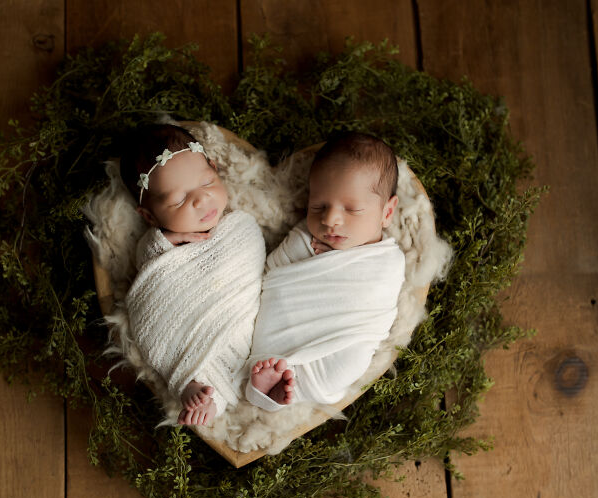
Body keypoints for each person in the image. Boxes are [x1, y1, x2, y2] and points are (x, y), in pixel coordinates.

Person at [245, 131, 405, 411]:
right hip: (286, 325)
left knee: (351, 362)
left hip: (342, 340)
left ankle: (285, 387)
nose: (330, 220)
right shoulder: (303, 238)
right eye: (318, 206)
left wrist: (331, 262)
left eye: (352, 209)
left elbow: (377, 302)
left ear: (387, 212)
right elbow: (272, 274)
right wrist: (307, 256)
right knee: (263, 346)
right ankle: (269, 384)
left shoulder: (388, 260)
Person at [120, 124, 265, 426]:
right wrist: (162, 241)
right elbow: (150, 274)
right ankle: (193, 384)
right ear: (149, 216)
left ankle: (230, 380)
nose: (200, 201)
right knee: (150, 320)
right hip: (179, 317)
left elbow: (256, 275)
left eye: (207, 182)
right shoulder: (158, 244)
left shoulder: (240, 228)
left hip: (238, 313)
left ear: (215, 168)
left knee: (253, 340)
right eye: (178, 201)